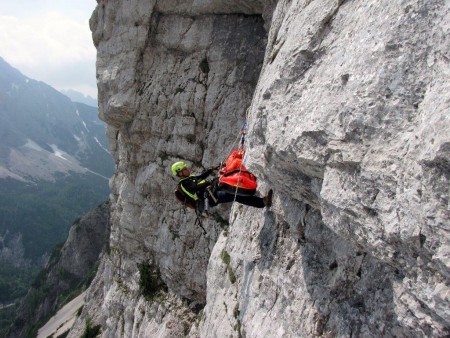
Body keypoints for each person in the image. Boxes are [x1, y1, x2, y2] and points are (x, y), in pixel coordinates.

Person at [171, 161, 273, 209]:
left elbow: (202, 177)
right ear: (180, 173)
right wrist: (210, 182)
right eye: (184, 169)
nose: (187, 169)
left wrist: (213, 168)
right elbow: (195, 188)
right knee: (234, 195)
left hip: (212, 191)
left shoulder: (190, 178)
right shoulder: (183, 184)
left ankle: (251, 191)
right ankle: (262, 202)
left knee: (230, 186)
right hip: (210, 198)